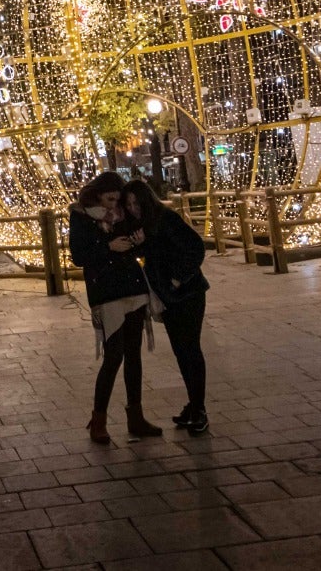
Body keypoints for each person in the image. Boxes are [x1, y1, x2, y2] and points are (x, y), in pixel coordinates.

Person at [68, 170, 163, 445]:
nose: (114, 205)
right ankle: (98, 419)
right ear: (98, 194)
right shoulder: (82, 216)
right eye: (110, 199)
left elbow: (139, 242)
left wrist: (135, 243)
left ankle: (136, 416)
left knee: (134, 354)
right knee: (114, 355)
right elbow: (79, 255)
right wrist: (108, 246)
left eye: (117, 200)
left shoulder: (124, 214)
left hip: (133, 287)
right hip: (107, 291)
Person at [124, 179, 210, 435]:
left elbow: (195, 248)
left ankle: (199, 409)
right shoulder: (141, 227)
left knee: (190, 350)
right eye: (128, 204)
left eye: (136, 203)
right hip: (169, 298)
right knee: (181, 352)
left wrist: (177, 278)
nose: (132, 208)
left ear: (146, 200)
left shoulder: (165, 219)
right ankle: (193, 405)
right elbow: (150, 256)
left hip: (188, 294)